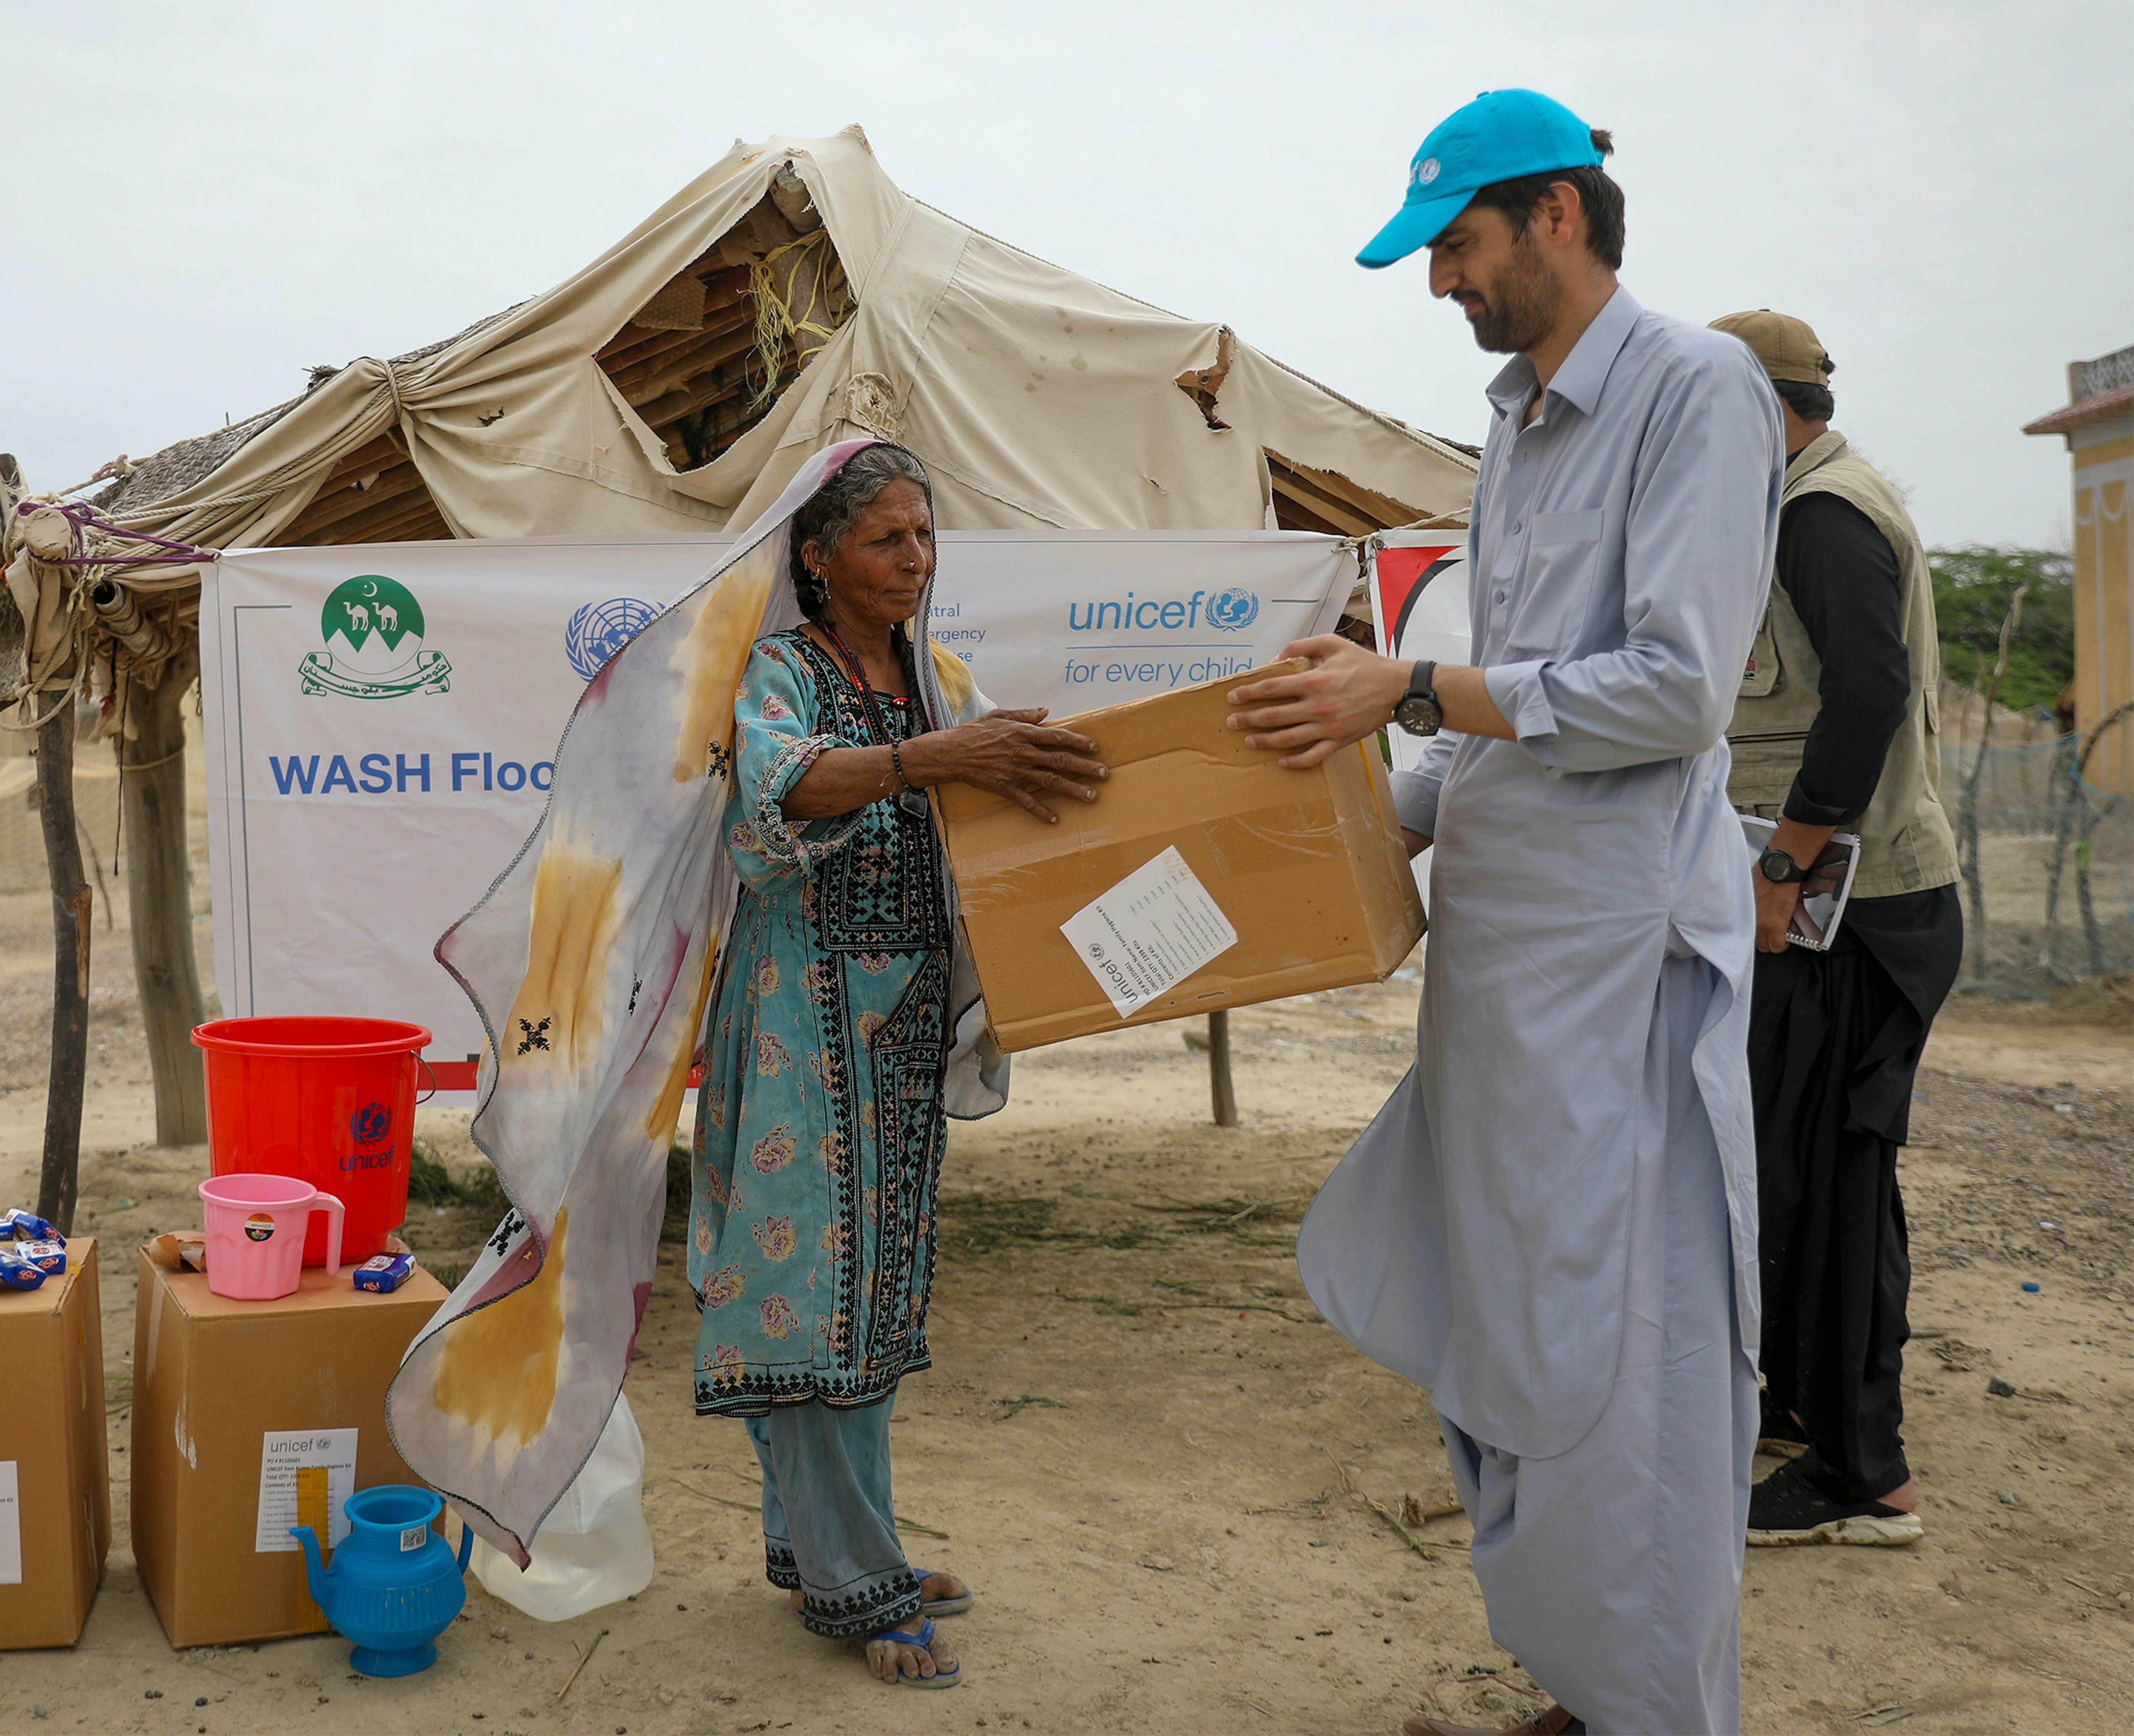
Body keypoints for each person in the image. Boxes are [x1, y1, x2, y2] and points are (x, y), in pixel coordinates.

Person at [1225, 90, 1782, 1736]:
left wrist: (1404, 687)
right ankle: (1585, 1676)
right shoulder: (1518, 426)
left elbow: (1671, 696)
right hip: (1499, 976)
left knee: (1628, 1358)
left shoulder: (1694, 390)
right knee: (1510, 1343)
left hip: (1612, 978)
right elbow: (1495, 727)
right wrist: (1327, 829)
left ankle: (1656, 1708)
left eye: (1455, 247)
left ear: (1554, 214)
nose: (1438, 285)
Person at [691, 442, 1108, 1690]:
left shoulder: (939, 681)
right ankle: (854, 1573)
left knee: (873, 1304)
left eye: (924, 538)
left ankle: (835, 1546)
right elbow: (782, 789)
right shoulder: (787, 671)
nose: (915, 560)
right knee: (809, 1302)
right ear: (818, 559)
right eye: (886, 539)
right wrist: (941, 761)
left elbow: (982, 811)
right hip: (798, 1030)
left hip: (901, 1033)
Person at [1707, 309, 1961, 1548]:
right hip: (1839, 897)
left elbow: (1865, 702)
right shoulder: (1805, 500)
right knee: (1797, 1170)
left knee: (1841, 1181)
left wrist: (1784, 865)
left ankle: (1869, 1479)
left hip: (1858, 904)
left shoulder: (1821, 514)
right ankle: (1808, 1410)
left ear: (1757, 408)